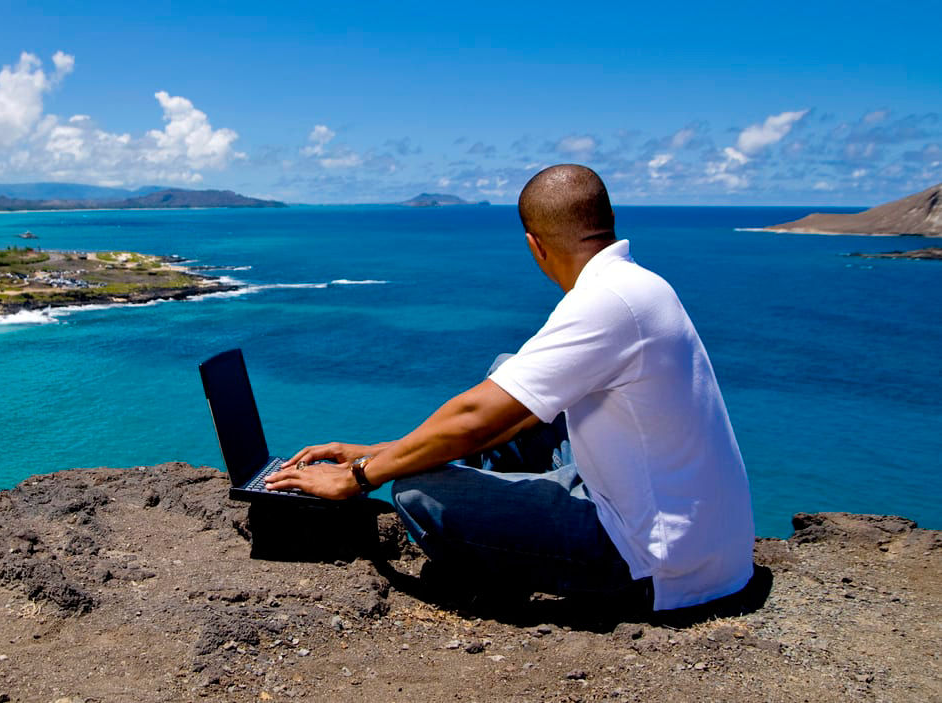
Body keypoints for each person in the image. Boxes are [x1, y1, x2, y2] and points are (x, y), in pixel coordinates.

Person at [264, 164, 755, 612]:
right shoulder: (637, 284)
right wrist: (382, 449)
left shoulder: (605, 303)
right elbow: (506, 411)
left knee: (417, 492)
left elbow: (476, 415)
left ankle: (488, 554)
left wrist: (361, 475)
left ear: (534, 244)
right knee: (511, 375)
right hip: (700, 541)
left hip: (657, 563)